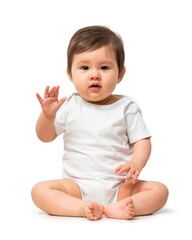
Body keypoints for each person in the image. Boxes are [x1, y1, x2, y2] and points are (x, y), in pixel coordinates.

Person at [31, 25, 169, 221]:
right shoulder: (70, 105)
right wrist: (47, 116)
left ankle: (121, 207)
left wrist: (137, 162)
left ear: (120, 73)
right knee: (40, 190)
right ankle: (82, 208)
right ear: (70, 74)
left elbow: (142, 141)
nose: (94, 74)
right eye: (84, 67)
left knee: (159, 190)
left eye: (104, 67)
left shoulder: (126, 106)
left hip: (121, 186)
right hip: (77, 186)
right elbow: (45, 136)